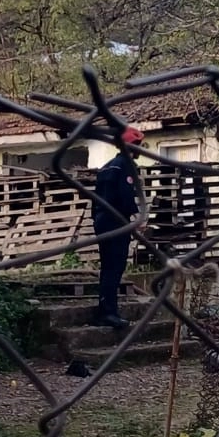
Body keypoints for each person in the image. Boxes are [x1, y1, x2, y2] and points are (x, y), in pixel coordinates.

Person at [89, 126, 145, 330]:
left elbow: (95, 197)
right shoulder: (125, 166)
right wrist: (137, 217)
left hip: (102, 220)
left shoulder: (107, 166)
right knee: (115, 267)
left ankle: (104, 310)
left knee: (107, 267)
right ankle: (108, 313)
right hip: (116, 222)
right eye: (137, 145)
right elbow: (125, 195)